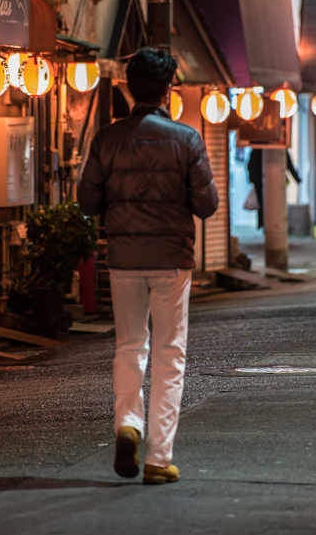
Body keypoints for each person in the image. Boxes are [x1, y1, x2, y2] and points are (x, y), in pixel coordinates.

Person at [79, 47, 219, 485]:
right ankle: (159, 459)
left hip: (123, 260)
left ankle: (127, 424)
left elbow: (87, 201)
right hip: (172, 261)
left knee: (130, 346)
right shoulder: (187, 139)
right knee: (169, 353)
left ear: (128, 85)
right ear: (168, 88)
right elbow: (207, 204)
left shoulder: (107, 138)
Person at [245, 149, 302, 229]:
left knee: (264, 203)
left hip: (260, 181)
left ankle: (264, 224)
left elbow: (250, 166)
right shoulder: (278, 149)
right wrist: (297, 179)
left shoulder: (257, 149)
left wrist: (252, 180)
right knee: (271, 204)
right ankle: (266, 225)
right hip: (272, 181)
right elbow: (289, 165)